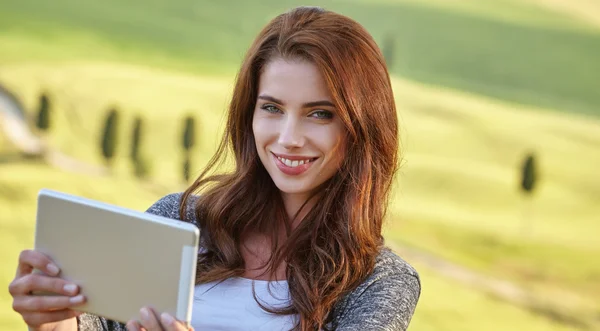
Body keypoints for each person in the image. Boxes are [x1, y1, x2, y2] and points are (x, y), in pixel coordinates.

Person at [9, 6, 421, 331]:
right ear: (249, 113)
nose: (289, 137)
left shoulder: (380, 283)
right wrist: (55, 319)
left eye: (319, 114)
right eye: (272, 108)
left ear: (362, 127)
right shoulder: (179, 219)